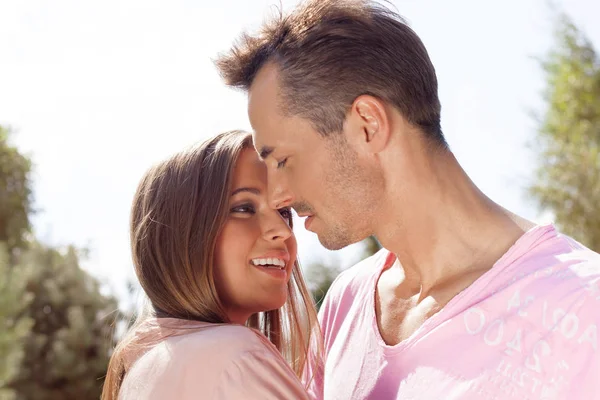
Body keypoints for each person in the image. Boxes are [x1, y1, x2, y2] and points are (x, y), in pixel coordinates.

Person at [215, 1, 600, 398]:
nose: (277, 194)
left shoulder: (584, 310)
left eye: (282, 159)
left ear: (367, 125)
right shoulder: (345, 303)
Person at [101, 130, 318, 400]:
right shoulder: (237, 357)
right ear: (181, 233)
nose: (283, 231)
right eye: (244, 208)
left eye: (284, 212)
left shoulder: (142, 369)